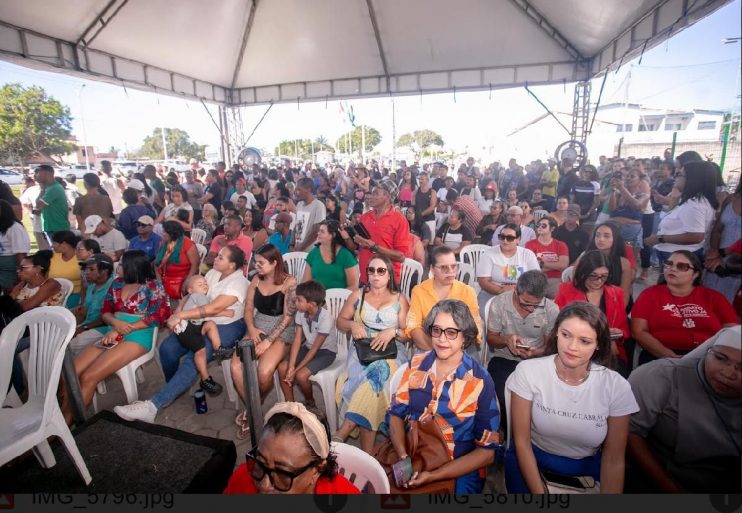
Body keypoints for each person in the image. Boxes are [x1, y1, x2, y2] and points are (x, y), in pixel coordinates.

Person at [505, 302, 639, 493]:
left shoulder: (616, 387)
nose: (572, 347)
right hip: (532, 460)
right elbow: (521, 442)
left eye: (585, 341)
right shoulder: (529, 372)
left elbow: (614, 459)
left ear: (598, 344)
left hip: (586, 468)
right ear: (556, 332)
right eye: (566, 335)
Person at [114, 246, 248, 424]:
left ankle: (153, 406)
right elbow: (193, 293)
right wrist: (180, 307)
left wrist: (180, 316)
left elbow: (214, 308)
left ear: (231, 265)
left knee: (194, 358)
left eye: (221, 257)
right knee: (167, 349)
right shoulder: (214, 273)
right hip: (200, 320)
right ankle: (175, 387)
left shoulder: (239, 283)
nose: (215, 258)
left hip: (226, 325)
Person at [390, 299, 500, 493]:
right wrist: (403, 457)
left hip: (458, 466)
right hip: (413, 453)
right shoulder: (415, 365)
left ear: (465, 337)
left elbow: (486, 453)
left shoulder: (480, 381)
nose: (442, 339)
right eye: (437, 330)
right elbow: (396, 414)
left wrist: (433, 475)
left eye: (451, 332)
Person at [626, 326, 741, 493]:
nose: (729, 373)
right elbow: (629, 433)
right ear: (708, 352)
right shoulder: (660, 376)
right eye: (721, 358)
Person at [62, 250, 170, 425]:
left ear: (132, 267)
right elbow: (105, 311)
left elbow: (159, 317)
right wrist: (114, 322)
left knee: (89, 376)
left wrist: (120, 329)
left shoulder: (153, 286)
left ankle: (70, 422)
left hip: (138, 335)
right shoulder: (117, 284)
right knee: (71, 372)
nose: (117, 267)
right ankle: (63, 415)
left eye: (121, 264)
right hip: (113, 331)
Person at [334, 254, 410, 453]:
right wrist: (352, 324)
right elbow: (339, 321)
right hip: (363, 349)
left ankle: (345, 429)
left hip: (392, 351)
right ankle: (367, 454)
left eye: (381, 270)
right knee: (374, 385)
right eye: (371, 270)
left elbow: (408, 334)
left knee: (377, 375)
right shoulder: (359, 295)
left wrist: (392, 332)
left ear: (389, 274)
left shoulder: (399, 299)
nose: (375, 274)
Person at [232, 244, 297, 438]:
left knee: (264, 371)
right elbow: (248, 309)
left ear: (274, 263)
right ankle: (255, 412)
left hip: (282, 329)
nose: (256, 266)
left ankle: (253, 409)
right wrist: (251, 330)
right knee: (235, 367)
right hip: (258, 325)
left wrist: (268, 341)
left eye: (261, 263)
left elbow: (288, 317)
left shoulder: (289, 282)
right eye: (255, 262)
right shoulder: (255, 279)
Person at [224, 402, 360, 494]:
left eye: (282, 473)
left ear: (317, 469)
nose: (265, 485)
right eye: (260, 462)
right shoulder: (243, 479)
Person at [631, 250, 738, 366]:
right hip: (660, 356)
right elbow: (639, 331)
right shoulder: (649, 295)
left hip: (709, 357)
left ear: (696, 274)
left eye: (682, 266)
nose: (672, 269)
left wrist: (710, 357)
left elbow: (732, 332)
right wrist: (668, 355)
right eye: (668, 264)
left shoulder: (714, 297)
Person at [486, 270, 558, 433]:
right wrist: (506, 339)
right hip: (504, 357)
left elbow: (550, 348)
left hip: (538, 361)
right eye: (526, 303)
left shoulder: (551, 309)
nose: (531, 309)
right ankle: (510, 432)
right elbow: (491, 339)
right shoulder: (500, 303)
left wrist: (535, 353)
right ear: (516, 291)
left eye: (536, 304)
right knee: (501, 396)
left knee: (542, 401)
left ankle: (532, 434)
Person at [555, 250, 630, 375]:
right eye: (593, 276)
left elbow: (623, 327)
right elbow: (557, 325)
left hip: (607, 351)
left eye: (604, 276)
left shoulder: (616, 293)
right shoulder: (566, 290)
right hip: (575, 349)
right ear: (583, 273)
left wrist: (619, 333)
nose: (599, 281)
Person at [644, 160, 719, 266]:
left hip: (680, 257)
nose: (676, 178)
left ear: (692, 179)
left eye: (680, 175)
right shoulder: (694, 200)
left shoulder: (694, 203)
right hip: (676, 253)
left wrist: (659, 238)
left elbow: (696, 236)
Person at [407, 246, 481, 352]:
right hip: (428, 343)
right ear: (432, 269)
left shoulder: (467, 291)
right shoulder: (419, 291)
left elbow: (475, 325)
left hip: (461, 346)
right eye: (444, 267)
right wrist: (437, 348)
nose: (450, 271)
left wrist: (453, 348)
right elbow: (413, 326)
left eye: (453, 266)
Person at [169, 274, 230, 396]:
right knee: (200, 351)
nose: (204, 285)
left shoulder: (193, 297)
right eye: (199, 284)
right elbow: (208, 311)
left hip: (193, 326)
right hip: (188, 329)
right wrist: (225, 312)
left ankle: (219, 349)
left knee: (210, 325)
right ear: (190, 290)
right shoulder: (198, 296)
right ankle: (205, 379)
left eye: (205, 283)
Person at [278, 280, 336, 404]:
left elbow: (315, 349)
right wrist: (291, 366)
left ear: (312, 304)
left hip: (326, 352)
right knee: (283, 367)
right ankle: (290, 404)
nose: (296, 302)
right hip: (308, 347)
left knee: (301, 375)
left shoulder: (326, 319)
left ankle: (310, 402)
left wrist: (295, 370)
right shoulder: (301, 313)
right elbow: (297, 340)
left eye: (299, 300)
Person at [344, 180, 409, 286]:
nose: (370, 196)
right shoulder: (365, 217)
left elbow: (401, 257)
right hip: (365, 279)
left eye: (375, 193)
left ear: (387, 197)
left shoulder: (400, 221)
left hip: (387, 282)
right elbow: (355, 247)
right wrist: (347, 236)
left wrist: (374, 247)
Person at [477, 223, 540, 314]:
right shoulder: (489, 253)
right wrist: (501, 290)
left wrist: (517, 290)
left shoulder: (527, 254)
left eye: (510, 238)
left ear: (518, 239)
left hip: (522, 294)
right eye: (502, 237)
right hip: (492, 292)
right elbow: (483, 281)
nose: (505, 241)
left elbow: (536, 280)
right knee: (486, 317)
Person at [68, 254, 115, 356]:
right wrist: (77, 320)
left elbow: (110, 317)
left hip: (104, 330)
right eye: (86, 269)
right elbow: (84, 313)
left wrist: (83, 328)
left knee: (68, 347)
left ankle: (70, 370)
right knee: (59, 340)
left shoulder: (114, 287)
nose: (87, 273)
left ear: (104, 271)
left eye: (91, 269)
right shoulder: (91, 287)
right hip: (88, 325)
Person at [704, 181, 742, 304]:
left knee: (727, 306)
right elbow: (717, 229)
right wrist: (714, 251)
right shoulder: (730, 199)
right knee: (706, 299)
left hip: (737, 266)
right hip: (717, 260)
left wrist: (723, 256)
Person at [580, 222, 633, 309]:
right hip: (585, 306)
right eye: (597, 235)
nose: (600, 239)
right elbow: (575, 286)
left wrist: (613, 314)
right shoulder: (584, 257)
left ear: (615, 239)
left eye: (606, 236)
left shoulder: (624, 263)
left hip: (614, 307)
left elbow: (624, 297)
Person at [302, 220, 359, 290]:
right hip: (316, 298)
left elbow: (354, 286)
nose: (318, 233)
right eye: (319, 231)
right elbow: (305, 282)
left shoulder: (345, 255)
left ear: (332, 235)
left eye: (322, 231)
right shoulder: (313, 253)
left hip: (338, 299)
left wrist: (333, 297)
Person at [154, 220, 199, 300]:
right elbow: (157, 263)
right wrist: (159, 280)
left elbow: (195, 265)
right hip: (165, 278)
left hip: (182, 280)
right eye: (163, 231)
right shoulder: (163, 243)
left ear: (173, 233)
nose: (163, 234)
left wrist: (187, 281)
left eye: (166, 232)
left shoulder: (187, 244)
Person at [525, 216, 568, 299]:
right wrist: (555, 266)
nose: (540, 227)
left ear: (552, 229)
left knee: (559, 297)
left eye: (543, 225)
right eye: (538, 225)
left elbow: (563, 265)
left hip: (555, 280)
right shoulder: (529, 244)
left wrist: (541, 264)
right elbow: (529, 267)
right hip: (536, 279)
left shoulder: (561, 245)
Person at [33, 164, 70, 242]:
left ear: (48, 174)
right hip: (52, 227)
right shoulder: (50, 188)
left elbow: (38, 205)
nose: (36, 176)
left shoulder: (54, 188)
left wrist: (42, 189)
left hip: (58, 228)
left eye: (38, 173)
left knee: (59, 253)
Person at [0, 199, 30, 291]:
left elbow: (21, 253)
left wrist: (21, 272)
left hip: (10, 264)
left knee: (10, 291)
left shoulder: (15, 228)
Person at [49, 230, 82, 307]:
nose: (52, 246)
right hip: (52, 294)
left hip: (75, 295)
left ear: (64, 244)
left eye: (54, 243)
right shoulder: (52, 256)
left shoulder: (81, 258)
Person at [294, 177, 327, 251]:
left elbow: (316, 231)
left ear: (308, 189)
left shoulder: (318, 206)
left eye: (299, 189)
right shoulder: (299, 204)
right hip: (298, 247)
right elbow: (296, 226)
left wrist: (300, 248)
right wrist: (292, 244)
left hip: (311, 250)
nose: (296, 192)